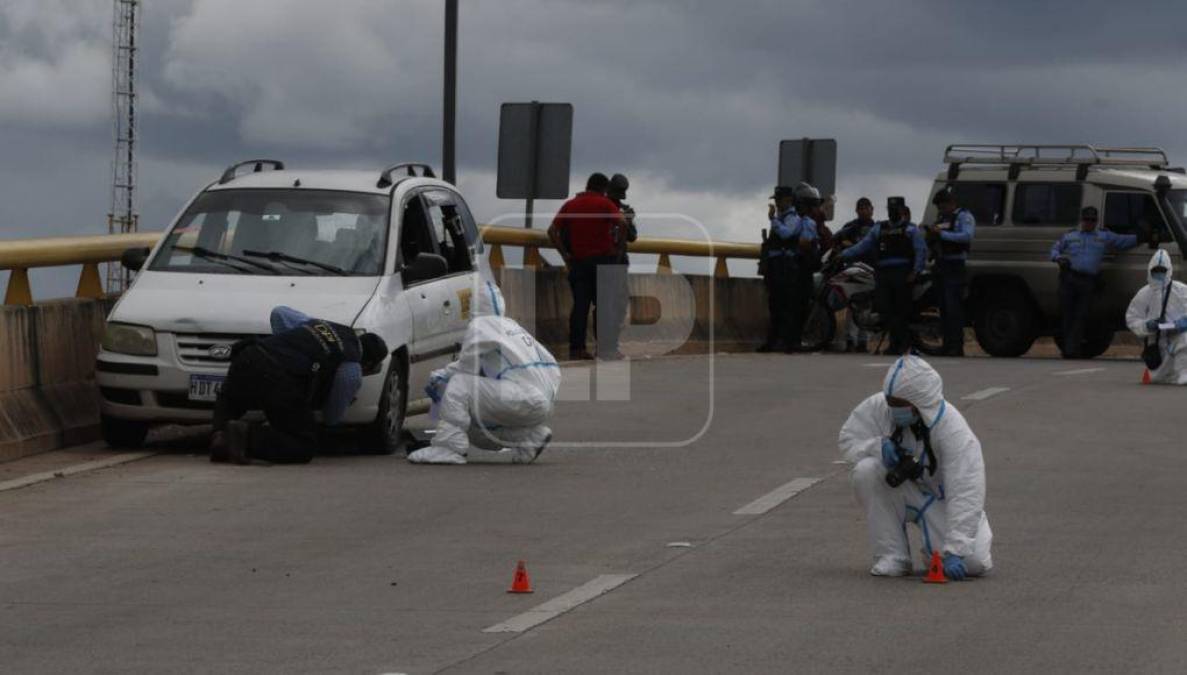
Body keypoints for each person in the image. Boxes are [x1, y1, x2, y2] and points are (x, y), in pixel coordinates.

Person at [838, 355, 993, 579]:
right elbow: (848, 440)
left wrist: (956, 548)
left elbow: (966, 489)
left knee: (973, 563)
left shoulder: (952, 429)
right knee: (866, 471)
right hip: (904, 491)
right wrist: (877, 446)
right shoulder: (879, 406)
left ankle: (945, 546)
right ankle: (892, 555)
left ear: (920, 403)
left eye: (900, 405)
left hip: (942, 502)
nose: (893, 410)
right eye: (891, 402)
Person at [209, 306, 389, 464]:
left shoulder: (324, 325)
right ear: (368, 364)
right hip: (277, 379)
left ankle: (219, 436)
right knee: (301, 445)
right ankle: (244, 436)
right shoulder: (352, 366)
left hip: (250, 354)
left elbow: (279, 313)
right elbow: (331, 417)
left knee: (231, 399)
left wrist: (288, 346)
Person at [410, 280, 561, 464]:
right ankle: (529, 437)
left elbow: (466, 367)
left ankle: (448, 448)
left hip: (523, 394)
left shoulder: (481, 325)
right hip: (542, 400)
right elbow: (551, 364)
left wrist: (442, 376)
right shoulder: (512, 326)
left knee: (458, 385)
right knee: (473, 424)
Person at [548, 173, 625, 360]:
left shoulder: (570, 205)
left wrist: (565, 254)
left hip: (578, 263)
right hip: (603, 261)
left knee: (580, 307)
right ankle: (606, 350)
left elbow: (552, 231)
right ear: (603, 188)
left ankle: (577, 350)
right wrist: (617, 249)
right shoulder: (604, 203)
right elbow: (622, 223)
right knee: (605, 307)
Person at [1049, 206, 1139, 358]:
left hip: (1088, 282)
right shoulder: (1071, 236)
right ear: (1082, 220)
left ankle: (1072, 350)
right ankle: (1068, 348)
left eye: (1092, 220)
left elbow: (1124, 241)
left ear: (1096, 221)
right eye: (1087, 219)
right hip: (1069, 279)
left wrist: (1143, 235)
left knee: (1081, 315)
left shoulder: (1103, 236)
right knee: (1067, 315)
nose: (1089, 223)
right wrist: (1058, 258)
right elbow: (1054, 249)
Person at [841, 197, 927, 355]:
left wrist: (915, 271)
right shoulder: (879, 229)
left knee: (902, 311)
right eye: (890, 209)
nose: (892, 212)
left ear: (902, 211)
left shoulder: (910, 229)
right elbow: (863, 245)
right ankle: (894, 345)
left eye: (895, 209)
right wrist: (843, 255)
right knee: (887, 311)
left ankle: (904, 345)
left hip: (903, 274)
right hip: (884, 275)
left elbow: (921, 251)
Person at [757, 185, 818, 352]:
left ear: (788, 200)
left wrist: (773, 220)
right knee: (775, 304)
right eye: (775, 199)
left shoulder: (792, 218)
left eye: (778, 199)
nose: (776, 203)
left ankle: (786, 341)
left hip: (786, 265)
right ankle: (774, 340)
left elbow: (787, 234)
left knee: (785, 305)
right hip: (775, 265)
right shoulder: (782, 217)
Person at [924, 188, 975, 356]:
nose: (941, 210)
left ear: (951, 203)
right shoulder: (942, 219)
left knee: (954, 308)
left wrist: (942, 234)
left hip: (955, 265)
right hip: (941, 265)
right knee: (943, 308)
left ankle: (956, 346)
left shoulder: (963, 216)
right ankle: (946, 345)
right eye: (939, 208)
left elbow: (966, 236)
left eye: (943, 207)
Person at [1126, 249, 1187, 384]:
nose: (1159, 274)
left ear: (1169, 270)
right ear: (1150, 270)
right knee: (1157, 379)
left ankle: (1184, 373)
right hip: (1155, 343)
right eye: (1156, 270)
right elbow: (1132, 317)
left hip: (1176, 337)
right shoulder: (1144, 293)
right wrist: (1146, 325)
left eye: (1162, 270)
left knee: (1185, 338)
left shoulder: (1181, 290)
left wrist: (1182, 323)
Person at [835, 197, 877, 353]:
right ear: (856, 210)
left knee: (866, 308)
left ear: (872, 209)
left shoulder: (877, 228)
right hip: (853, 271)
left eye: (867, 208)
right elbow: (839, 241)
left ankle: (863, 341)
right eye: (861, 208)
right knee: (852, 306)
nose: (864, 211)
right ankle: (850, 340)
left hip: (870, 271)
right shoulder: (850, 227)